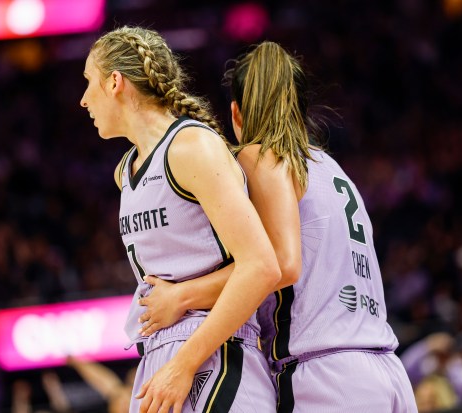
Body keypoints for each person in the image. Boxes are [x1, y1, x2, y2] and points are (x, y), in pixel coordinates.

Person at [137, 41, 418, 412]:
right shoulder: (333, 169)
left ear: (236, 114)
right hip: (387, 371)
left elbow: (281, 265)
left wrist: (182, 295)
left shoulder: (259, 155)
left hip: (326, 375)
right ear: (303, 110)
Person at [79, 26, 281, 413]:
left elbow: (261, 265)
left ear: (115, 83)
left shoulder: (191, 146)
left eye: (89, 82)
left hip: (214, 350)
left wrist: (185, 363)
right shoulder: (126, 172)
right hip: (161, 354)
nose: (83, 99)